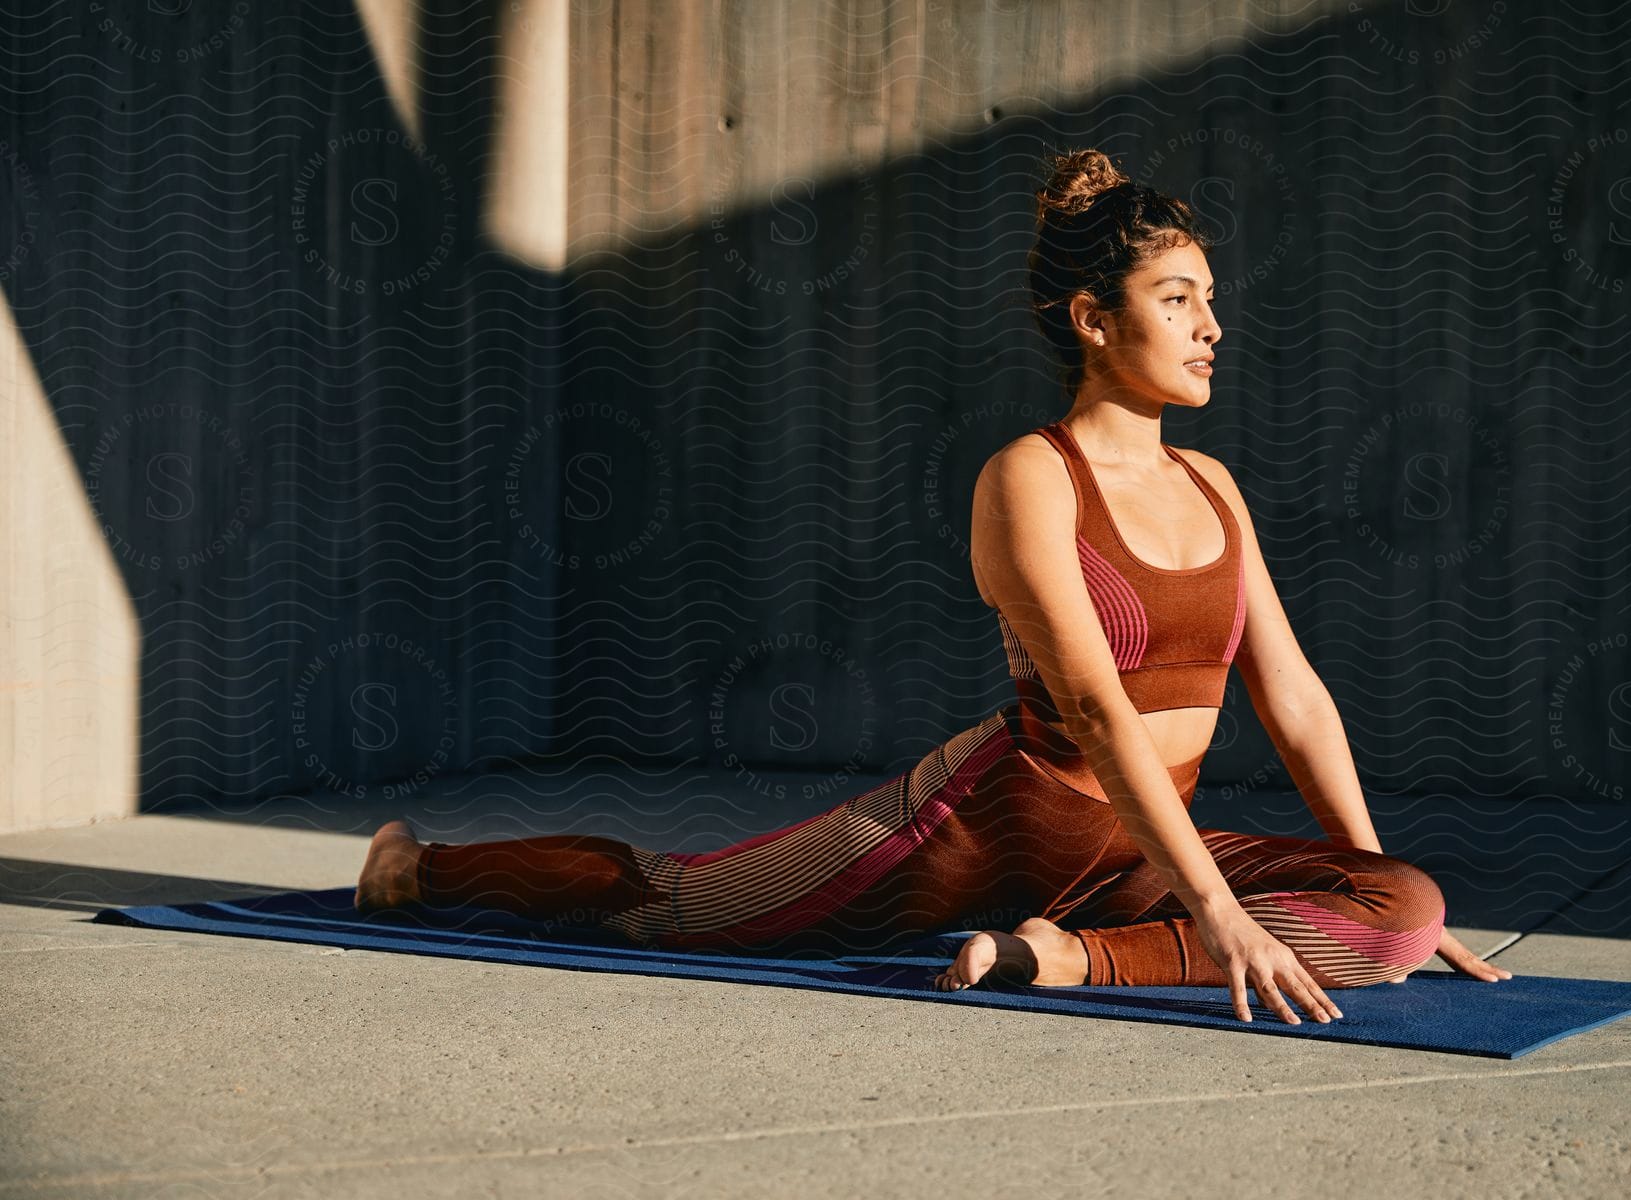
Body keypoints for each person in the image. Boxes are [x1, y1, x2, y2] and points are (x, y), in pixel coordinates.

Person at [354, 147, 1511, 1026]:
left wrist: (1359, 875)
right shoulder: (1028, 481)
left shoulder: (1212, 482)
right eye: (1177, 300)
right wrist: (1213, 910)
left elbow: (1295, 698)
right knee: (671, 900)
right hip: (989, 825)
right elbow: (1101, 713)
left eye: (1210, 297)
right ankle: (418, 871)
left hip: (1134, 856)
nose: (1212, 327)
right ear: (1094, 321)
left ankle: (1065, 958)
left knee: (1406, 905)